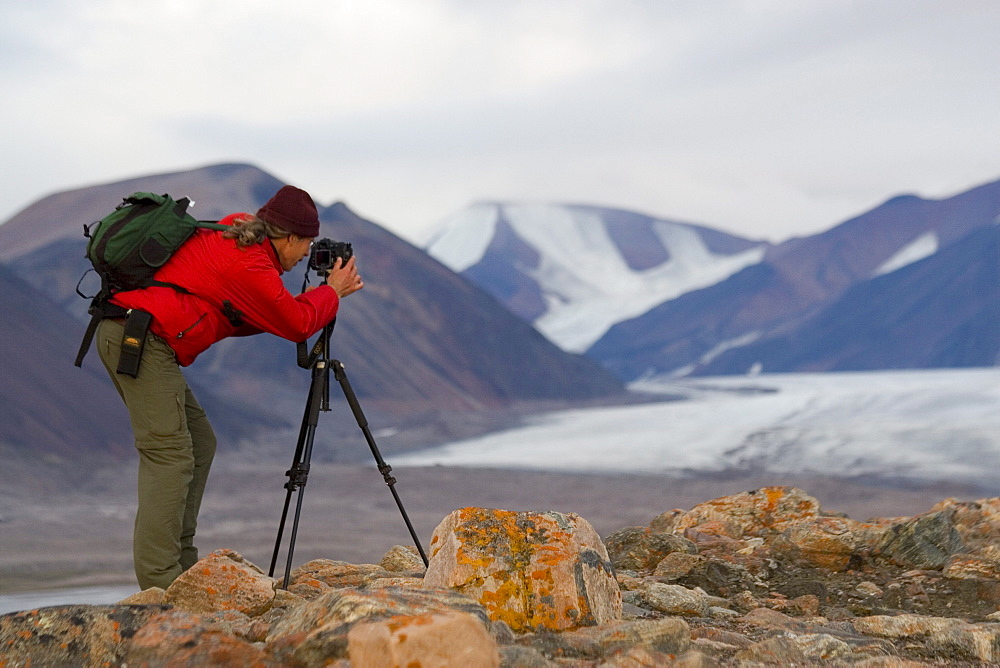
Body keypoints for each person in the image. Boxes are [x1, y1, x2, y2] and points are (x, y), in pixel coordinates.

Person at [94, 185, 363, 590]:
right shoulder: (251, 265)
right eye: (305, 245)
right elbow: (295, 324)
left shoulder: (237, 231)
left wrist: (307, 300)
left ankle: (181, 566)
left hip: (140, 336)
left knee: (199, 443)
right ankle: (161, 584)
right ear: (288, 237)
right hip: (138, 341)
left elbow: (243, 309)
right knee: (168, 454)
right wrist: (331, 293)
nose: (307, 254)